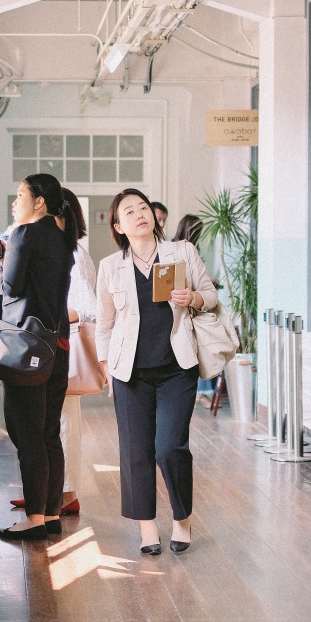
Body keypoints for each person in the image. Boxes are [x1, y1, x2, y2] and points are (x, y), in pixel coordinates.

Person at [95, 189, 217, 555]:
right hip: (130, 372)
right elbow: (105, 324)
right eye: (129, 212)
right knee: (135, 451)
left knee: (169, 448)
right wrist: (107, 370)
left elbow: (210, 296)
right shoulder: (110, 266)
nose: (139, 215)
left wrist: (192, 298)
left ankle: (182, 519)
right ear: (118, 226)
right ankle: (147, 528)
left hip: (177, 367)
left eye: (143, 207)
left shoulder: (182, 252)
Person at [0, 173, 79, 541]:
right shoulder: (62, 238)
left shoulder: (24, 234)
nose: (15, 201)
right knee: (48, 432)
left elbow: (10, 289)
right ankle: (52, 513)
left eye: (21, 194)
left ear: (39, 201)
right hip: (58, 345)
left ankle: (36, 518)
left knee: (26, 432)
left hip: (27, 347)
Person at [9, 187, 95, 516]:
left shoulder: (71, 252)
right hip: (51, 344)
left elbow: (87, 307)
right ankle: (48, 491)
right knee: (51, 423)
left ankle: (63, 494)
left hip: (61, 346)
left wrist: (48, 314)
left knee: (61, 423)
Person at [171, 214, 217, 405]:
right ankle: (201, 392)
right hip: (184, 312)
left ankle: (202, 391)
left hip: (193, 307)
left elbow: (204, 289)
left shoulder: (188, 249)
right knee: (194, 351)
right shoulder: (176, 250)